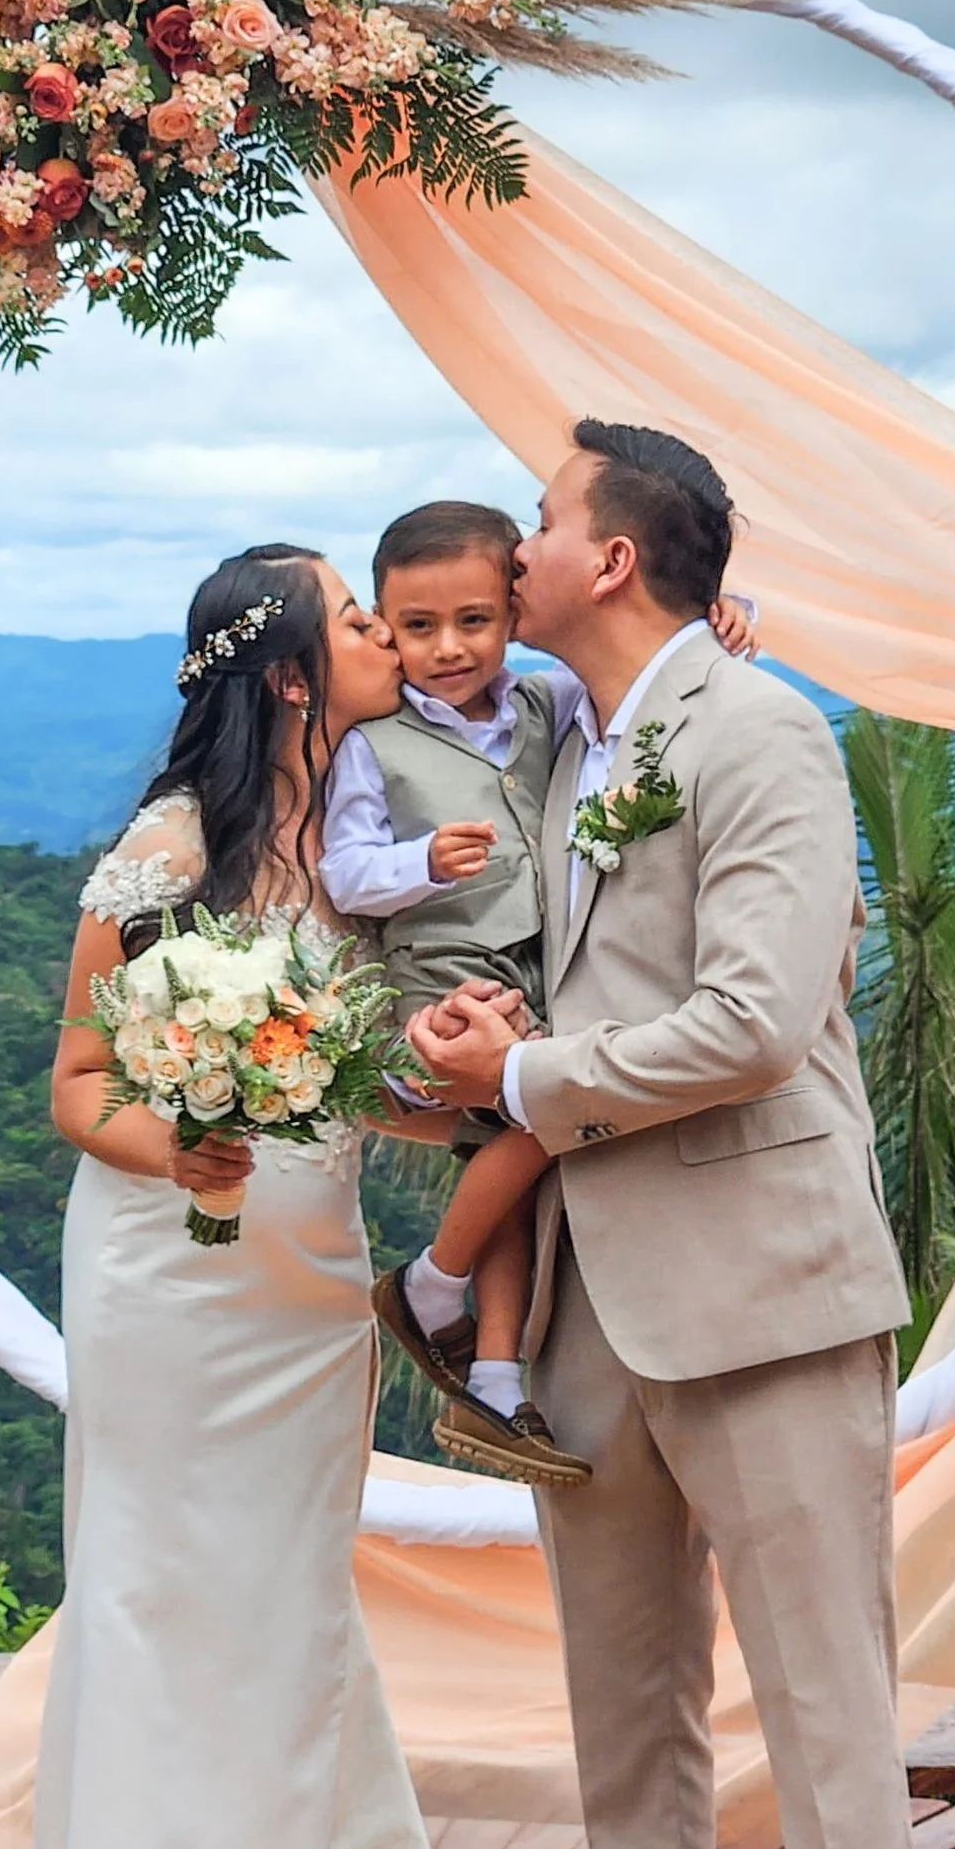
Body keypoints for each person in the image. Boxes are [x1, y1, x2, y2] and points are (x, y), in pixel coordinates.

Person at [407, 423, 930, 1849]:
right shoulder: (580, 749)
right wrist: (471, 1046)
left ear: (614, 560)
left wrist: (535, 1074)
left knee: (824, 1700)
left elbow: (760, 1019)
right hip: (589, 1301)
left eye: (543, 520)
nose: (521, 545)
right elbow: (592, 984)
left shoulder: (762, 732)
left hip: (766, 1286)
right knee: (622, 1701)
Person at [40, 544, 482, 1849]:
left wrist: (456, 1096)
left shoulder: (348, 842)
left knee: (285, 1624)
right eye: (357, 620)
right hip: (176, 1284)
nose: (385, 633)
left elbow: (350, 1078)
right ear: (291, 674)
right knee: (166, 1611)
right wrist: (184, 1150)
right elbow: (79, 1084)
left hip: (308, 1296)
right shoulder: (169, 853)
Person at [322, 498, 754, 1489]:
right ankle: (432, 1283)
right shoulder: (375, 744)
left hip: (538, 982)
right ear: (388, 625)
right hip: (436, 987)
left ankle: (497, 1372)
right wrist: (420, 862)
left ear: (514, 613)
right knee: (535, 1126)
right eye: (417, 628)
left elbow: (641, 682)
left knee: (524, 1151)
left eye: (473, 621)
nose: (447, 649)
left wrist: (722, 623)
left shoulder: (545, 704)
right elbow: (345, 874)